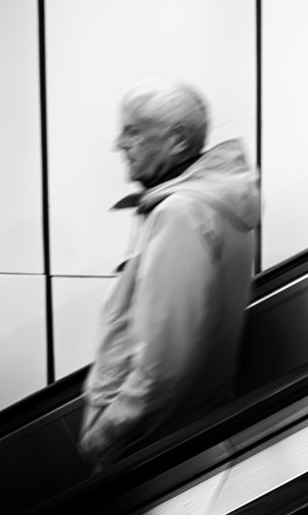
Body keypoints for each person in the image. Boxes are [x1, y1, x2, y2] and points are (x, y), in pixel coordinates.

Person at [78, 80, 260, 471]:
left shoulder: (179, 213)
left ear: (177, 140)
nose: (119, 144)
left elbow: (163, 365)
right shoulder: (214, 203)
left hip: (156, 442)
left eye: (132, 131)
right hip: (188, 428)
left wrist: (105, 433)